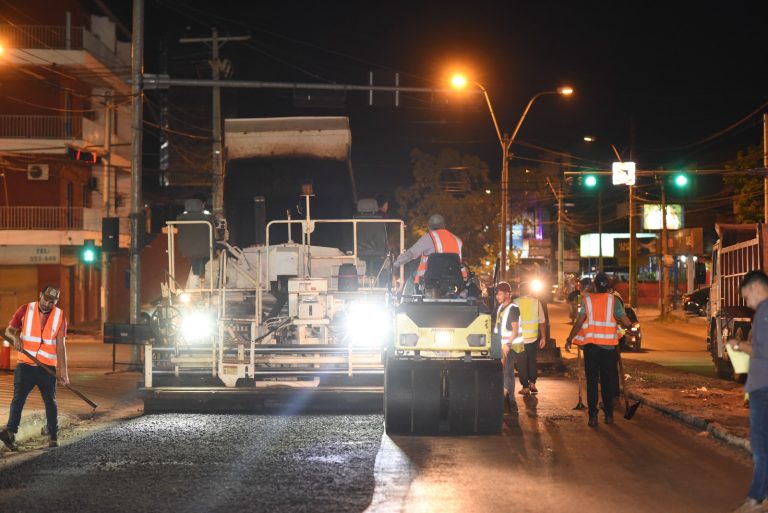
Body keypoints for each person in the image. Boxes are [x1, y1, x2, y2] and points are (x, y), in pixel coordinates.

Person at [0, 285, 69, 450]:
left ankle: (53, 435)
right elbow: (8, 330)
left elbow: (61, 346)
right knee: (18, 400)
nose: (47, 304)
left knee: (50, 402)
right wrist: (15, 337)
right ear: (40, 295)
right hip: (26, 365)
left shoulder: (60, 316)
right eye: (46, 299)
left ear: (56, 302)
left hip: (47, 368)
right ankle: (10, 433)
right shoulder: (25, 309)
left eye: (52, 301)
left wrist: (63, 372)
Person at [565, 272, 632, 427]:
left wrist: (569, 339)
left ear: (594, 286)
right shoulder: (613, 301)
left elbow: (579, 323)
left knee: (592, 382)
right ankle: (608, 415)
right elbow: (626, 321)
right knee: (607, 382)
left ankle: (593, 416)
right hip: (609, 349)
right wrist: (627, 326)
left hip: (591, 349)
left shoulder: (587, 301)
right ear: (608, 286)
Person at [728, 270, 768, 512]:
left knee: (761, 446)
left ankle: (755, 499)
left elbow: (763, 352)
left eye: (746, 298)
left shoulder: (763, 312)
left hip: (762, 387)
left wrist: (739, 345)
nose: (748, 303)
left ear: (755, 288)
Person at [393, 214, 463, 286]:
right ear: (443, 225)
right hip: (454, 281)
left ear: (429, 226)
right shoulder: (457, 240)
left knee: (410, 280)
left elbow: (411, 253)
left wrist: (395, 264)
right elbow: (460, 263)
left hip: (429, 281)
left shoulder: (429, 237)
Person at [513, 282, 547, 396]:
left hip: (519, 339)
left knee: (521, 363)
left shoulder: (515, 303)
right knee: (532, 361)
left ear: (520, 291)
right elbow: (542, 321)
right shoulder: (536, 302)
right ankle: (533, 383)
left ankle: (525, 387)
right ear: (529, 291)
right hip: (533, 338)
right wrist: (543, 337)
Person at [493, 281, 521, 410]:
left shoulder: (513, 308)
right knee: (503, 372)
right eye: (497, 294)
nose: (497, 296)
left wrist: (508, 345)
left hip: (510, 345)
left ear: (507, 294)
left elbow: (515, 330)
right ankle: (505, 402)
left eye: (499, 294)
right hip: (501, 344)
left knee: (508, 373)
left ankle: (511, 403)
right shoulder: (501, 307)